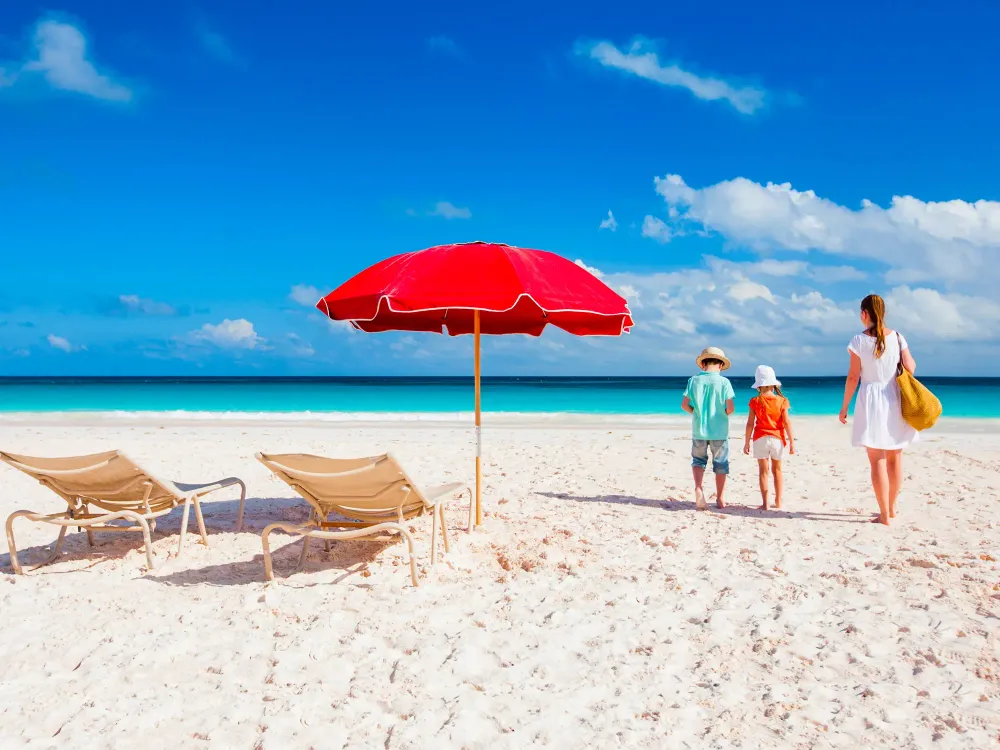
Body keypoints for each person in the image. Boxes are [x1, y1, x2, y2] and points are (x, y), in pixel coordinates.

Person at [839, 294, 917, 525]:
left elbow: (854, 377)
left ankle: (883, 514)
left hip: (871, 398)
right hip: (894, 397)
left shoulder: (858, 340)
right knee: (895, 458)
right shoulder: (899, 337)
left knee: (877, 460)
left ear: (865, 314)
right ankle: (892, 509)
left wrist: (844, 407)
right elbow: (911, 367)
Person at [682, 347, 735, 510]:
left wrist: (696, 413)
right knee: (720, 464)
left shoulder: (693, 380)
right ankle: (720, 498)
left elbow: (684, 405)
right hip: (719, 430)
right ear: (720, 365)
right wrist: (722, 414)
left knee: (698, 461)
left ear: (703, 364)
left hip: (699, 430)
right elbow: (730, 408)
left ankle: (698, 488)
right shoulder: (724, 382)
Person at [743, 365, 795, 510]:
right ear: (773, 383)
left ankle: (765, 503)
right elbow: (786, 422)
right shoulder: (782, 401)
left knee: (763, 471)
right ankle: (778, 502)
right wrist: (791, 442)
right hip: (777, 439)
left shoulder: (755, 401)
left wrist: (746, 442)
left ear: (758, 385)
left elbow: (749, 424)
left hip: (760, 439)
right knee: (777, 470)